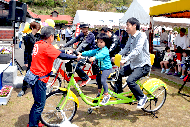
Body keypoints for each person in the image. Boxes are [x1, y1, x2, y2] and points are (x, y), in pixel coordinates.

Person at [27, 26, 81, 127]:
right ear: (51, 36)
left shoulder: (39, 43)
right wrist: (75, 57)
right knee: (39, 105)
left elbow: (56, 52)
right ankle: (32, 125)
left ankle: (33, 123)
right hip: (39, 79)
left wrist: (66, 51)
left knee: (37, 103)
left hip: (33, 76)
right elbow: (60, 55)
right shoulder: (46, 46)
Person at [113, 17, 151, 109]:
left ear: (134, 26)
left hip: (143, 65)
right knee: (117, 74)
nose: (126, 27)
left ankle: (142, 97)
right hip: (134, 64)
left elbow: (137, 50)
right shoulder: (130, 37)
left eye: (128, 25)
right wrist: (117, 56)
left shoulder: (142, 35)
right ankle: (119, 94)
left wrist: (126, 59)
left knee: (130, 81)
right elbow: (126, 49)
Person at [79, 33, 112, 105]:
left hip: (107, 69)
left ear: (105, 43)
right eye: (98, 42)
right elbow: (91, 52)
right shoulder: (98, 49)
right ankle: (99, 93)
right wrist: (81, 53)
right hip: (101, 69)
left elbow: (101, 55)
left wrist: (94, 57)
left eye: (101, 42)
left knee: (103, 80)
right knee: (98, 81)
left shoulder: (105, 50)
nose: (99, 43)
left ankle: (106, 95)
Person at [17, 21, 41, 97]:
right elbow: (26, 50)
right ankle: (23, 89)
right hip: (31, 58)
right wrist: (26, 61)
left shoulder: (39, 36)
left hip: (38, 58)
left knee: (39, 74)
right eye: (37, 28)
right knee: (28, 74)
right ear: (32, 28)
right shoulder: (27, 37)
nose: (38, 30)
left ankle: (37, 88)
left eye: (39, 28)